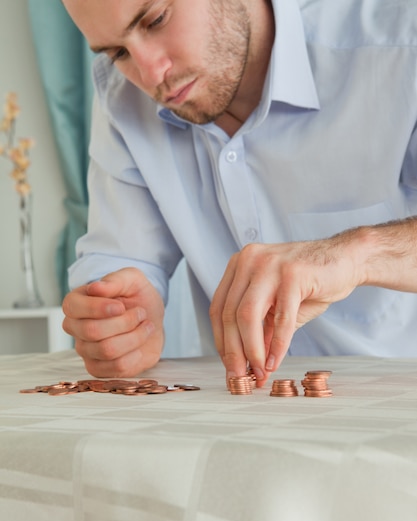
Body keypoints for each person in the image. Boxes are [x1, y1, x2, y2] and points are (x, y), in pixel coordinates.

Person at [61, 0, 417, 387]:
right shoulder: (122, 102)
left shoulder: (401, 48)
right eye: (118, 53)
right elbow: (122, 261)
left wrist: (360, 254)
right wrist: (120, 321)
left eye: (156, 20)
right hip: (244, 417)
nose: (150, 74)